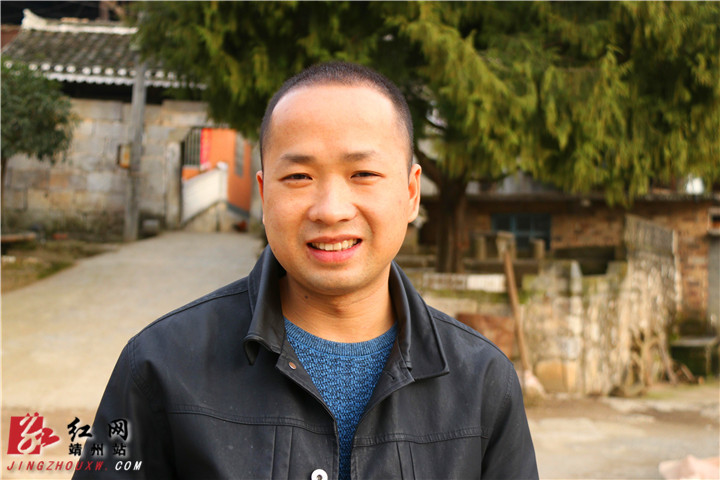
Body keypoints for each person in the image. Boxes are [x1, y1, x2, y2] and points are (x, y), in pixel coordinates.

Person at [75, 61, 538, 479]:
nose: (331, 210)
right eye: (299, 176)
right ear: (264, 195)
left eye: (363, 174)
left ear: (411, 193)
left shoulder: (482, 382)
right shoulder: (160, 366)